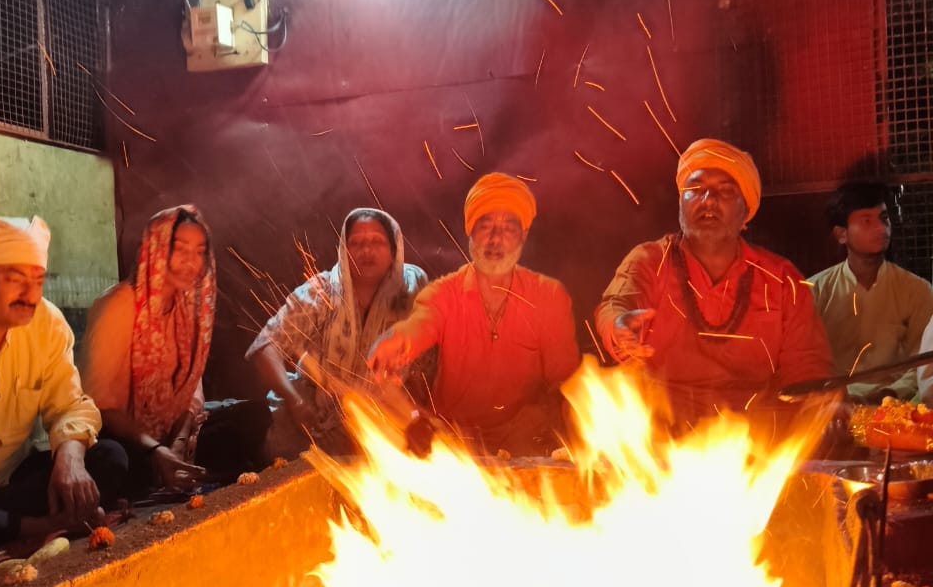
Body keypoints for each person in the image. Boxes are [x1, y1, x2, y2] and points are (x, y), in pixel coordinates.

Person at [594, 139, 833, 425]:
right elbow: (616, 305)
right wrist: (618, 326)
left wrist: (818, 399)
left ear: (746, 212)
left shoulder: (781, 278)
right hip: (658, 433)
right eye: (695, 189)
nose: (708, 200)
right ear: (680, 204)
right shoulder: (649, 259)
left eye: (726, 190)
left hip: (751, 439)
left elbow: (806, 364)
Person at [368, 173, 581, 456]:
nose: (496, 239)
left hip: (524, 443)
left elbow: (569, 384)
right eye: (485, 225)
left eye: (508, 226)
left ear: (524, 234)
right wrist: (394, 343)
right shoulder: (443, 294)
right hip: (453, 442)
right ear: (470, 232)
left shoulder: (549, 297)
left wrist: (582, 439)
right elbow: (418, 326)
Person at [80, 205, 268, 497]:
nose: (190, 262)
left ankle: (181, 474)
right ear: (156, 248)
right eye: (180, 249)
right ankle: (159, 479)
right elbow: (99, 406)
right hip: (129, 440)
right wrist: (156, 449)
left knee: (254, 416)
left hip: (173, 435)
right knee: (113, 462)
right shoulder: (119, 306)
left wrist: (179, 442)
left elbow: (192, 389)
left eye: (198, 252)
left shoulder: (187, 308)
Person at [0, 214, 127, 555]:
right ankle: (43, 526)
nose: (30, 294)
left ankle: (13, 525)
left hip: (11, 484)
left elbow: (71, 405)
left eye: (38, 280)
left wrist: (69, 460)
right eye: (15, 279)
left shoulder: (47, 323)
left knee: (111, 457)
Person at [246, 208, 428, 455]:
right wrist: (295, 401)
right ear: (344, 249)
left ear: (394, 249)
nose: (366, 251)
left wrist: (418, 408)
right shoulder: (322, 292)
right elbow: (266, 347)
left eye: (377, 241)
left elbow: (424, 355)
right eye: (357, 243)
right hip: (315, 423)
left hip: (381, 422)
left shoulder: (411, 287)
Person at [809, 181, 933, 402]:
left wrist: (888, 395)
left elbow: (923, 365)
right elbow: (806, 362)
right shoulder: (815, 291)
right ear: (841, 234)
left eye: (884, 219)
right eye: (866, 221)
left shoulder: (917, 290)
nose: (881, 229)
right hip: (834, 407)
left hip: (896, 404)